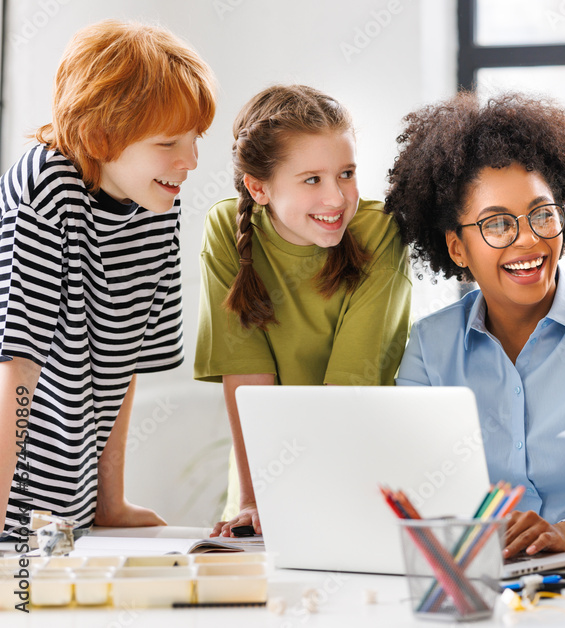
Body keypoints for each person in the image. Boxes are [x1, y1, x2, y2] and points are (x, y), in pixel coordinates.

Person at [387, 92, 565, 557]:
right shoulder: (429, 346)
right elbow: (414, 482)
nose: (528, 239)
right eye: (497, 224)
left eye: (542, 214)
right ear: (457, 248)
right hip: (480, 573)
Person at [0, 20, 215, 534]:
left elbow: (125, 362)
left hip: (70, 513)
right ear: (102, 137)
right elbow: (17, 370)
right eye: (169, 143)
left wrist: (108, 501)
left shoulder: (158, 201)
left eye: (194, 139)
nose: (190, 161)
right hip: (13, 513)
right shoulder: (44, 191)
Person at [194, 85, 411, 537]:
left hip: (356, 467)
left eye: (346, 173)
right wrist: (255, 500)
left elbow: (348, 387)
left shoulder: (379, 233)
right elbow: (246, 379)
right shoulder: (225, 230)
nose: (336, 199)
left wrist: (301, 503)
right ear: (259, 188)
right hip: (263, 483)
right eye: (312, 179)